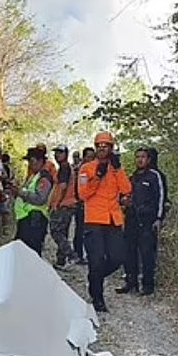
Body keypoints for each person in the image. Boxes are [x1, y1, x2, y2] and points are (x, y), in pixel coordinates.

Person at [78, 131, 132, 312]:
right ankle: (98, 298)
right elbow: (83, 194)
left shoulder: (115, 168)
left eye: (106, 146)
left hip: (113, 219)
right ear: (95, 148)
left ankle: (95, 277)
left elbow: (126, 189)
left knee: (118, 257)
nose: (102, 149)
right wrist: (97, 178)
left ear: (111, 148)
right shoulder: (86, 168)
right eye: (99, 146)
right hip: (94, 220)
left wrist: (117, 170)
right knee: (96, 259)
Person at [117, 148, 166, 295]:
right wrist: (124, 202)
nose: (140, 160)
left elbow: (161, 198)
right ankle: (131, 283)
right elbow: (123, 196)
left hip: (147, 221)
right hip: (131, 219)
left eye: (143, 157)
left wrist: (158, 218)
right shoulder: (132, 178)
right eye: (137, 157)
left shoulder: (155, 176)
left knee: (147, 254)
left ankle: (148, 285)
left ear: (149, 159)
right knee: (128, 253)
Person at [8, 148, 53, 256]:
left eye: (32, 161)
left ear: (41, 161)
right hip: (27, 218)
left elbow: (40, 199)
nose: (30, 165)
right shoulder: (34, 176)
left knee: (31, 253)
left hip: (34, 220)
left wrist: (20, 193)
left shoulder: (44, 178)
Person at [48, 144, 78, 268]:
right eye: (56, 152)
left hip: (64, 205)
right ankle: (61, 260)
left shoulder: (64, 167)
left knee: (56, 231)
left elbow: (62, 187)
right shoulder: (65, 167)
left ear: (66, 154)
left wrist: (56, 203)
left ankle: (71, 255)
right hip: (68, 204)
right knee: (63, 232)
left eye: (60, 152)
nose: (57, 155)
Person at [71, 146, 95, 265]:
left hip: (93, 206)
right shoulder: (82, 170)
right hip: (81, 204)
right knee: (80, 230)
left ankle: (90, 255)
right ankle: (78, 254)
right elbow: (80, 188)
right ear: (84, 157)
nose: (90, 159)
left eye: (92, 157)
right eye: (88, 157)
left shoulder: (97, 169)